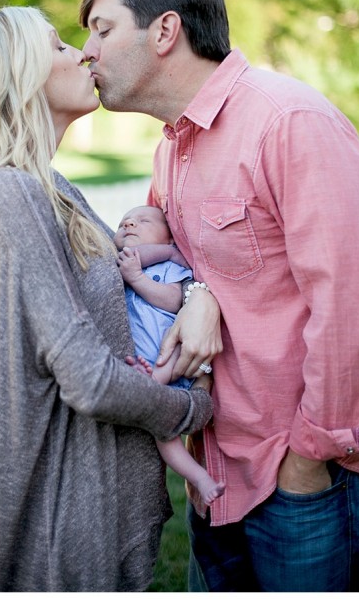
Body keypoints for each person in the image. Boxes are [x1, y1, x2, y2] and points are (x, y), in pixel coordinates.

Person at [80, 0, 359, 591]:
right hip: (216, 469)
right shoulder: (173, 145)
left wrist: (309, 458)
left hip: (297, 476)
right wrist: (198, 293)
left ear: (165, 31)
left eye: (102, 30)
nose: (88, 52)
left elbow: (352, 306)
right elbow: (192, 267)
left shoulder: (288, 122)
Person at [0, 6, 216, 591]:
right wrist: (191, 412)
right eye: (59, 46)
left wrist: (201, 296)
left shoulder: (48, 187)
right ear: (17, 76)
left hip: (95, 490)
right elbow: (88, 376)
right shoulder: (5, 194)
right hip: (61, 504)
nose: (83, 53)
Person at [114, 205, 225, 505]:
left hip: (171, 359)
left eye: (143, 220)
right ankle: (201, 479)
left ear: (170, 239)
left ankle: (155, 380)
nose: (130, 222)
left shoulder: (168, 268)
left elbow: (174, 300)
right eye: (124, 222)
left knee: (176, 343)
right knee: (164, 435)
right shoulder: (123, 265)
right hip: (142, 363)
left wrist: (138, 278)